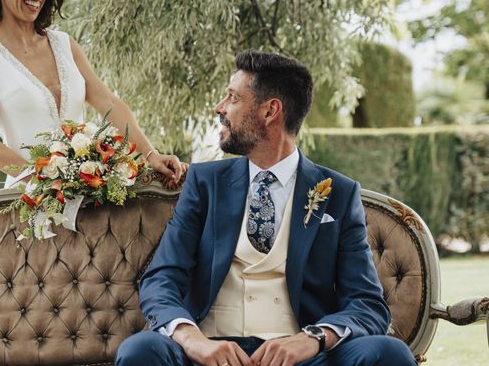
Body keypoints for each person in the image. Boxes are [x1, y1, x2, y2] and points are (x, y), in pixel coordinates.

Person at [116, 51, 416, 366]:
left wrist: (311, 339)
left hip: (301, 357)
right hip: (208, 354)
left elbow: (367, 304)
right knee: (140, 351)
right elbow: (162, 277)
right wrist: (195, 342)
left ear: (270, 110)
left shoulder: (338, 192)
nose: (220, 108)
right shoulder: (205, 183)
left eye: (232, 98)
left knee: (390, 354)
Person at [0, 0, 184, 187]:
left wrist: (151, 154)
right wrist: (45, 183)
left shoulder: (64, 44)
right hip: (29, 200)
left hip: (87, 194)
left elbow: (108, 102)